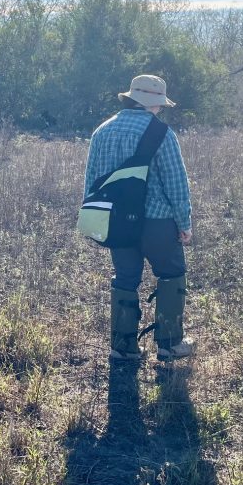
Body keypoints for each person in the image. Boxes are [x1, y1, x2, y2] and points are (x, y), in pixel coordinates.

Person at [83, 74, 193, 362]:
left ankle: (123, 348)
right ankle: (169, 345)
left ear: (130, 97)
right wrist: (184, 223)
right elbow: (176, 184)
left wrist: (97, 220)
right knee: (171, 274)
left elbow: (92, 183)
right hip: (157, 221)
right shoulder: (162, 133)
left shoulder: (101, 131)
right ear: (154, 104)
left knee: (125, 279)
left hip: (117, 222)